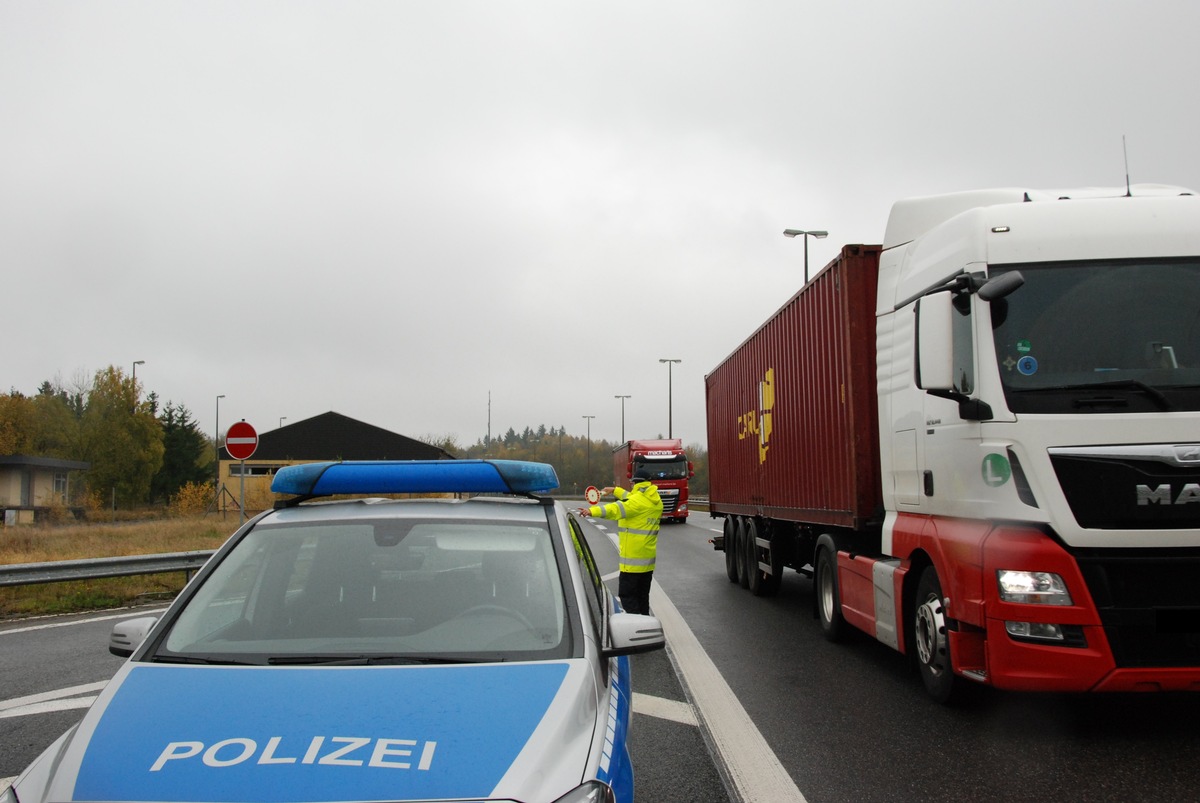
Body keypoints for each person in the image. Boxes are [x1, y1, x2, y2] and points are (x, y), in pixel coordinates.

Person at [576, 470, 663, 615]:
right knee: (642, 598)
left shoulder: (635, 503)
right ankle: (646, 623)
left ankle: (635, 626)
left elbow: (615, 509)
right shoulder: (654, 500)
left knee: (627, 597)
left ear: (635, 483)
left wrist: (592, 511)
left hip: (632, 563)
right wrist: (615, 490)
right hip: (647, 562)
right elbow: (631, 497)